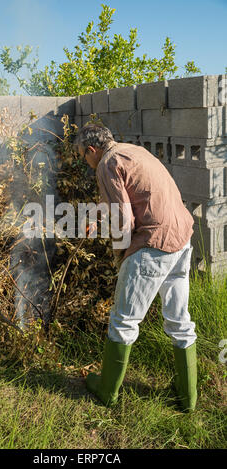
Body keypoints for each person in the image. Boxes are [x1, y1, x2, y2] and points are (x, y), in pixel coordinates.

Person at [74, 123, 197, 412]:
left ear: (92, 150)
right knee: (179, 319)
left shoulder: (106, 163)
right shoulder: (132, 151)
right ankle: (187, 397)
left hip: (153, 243)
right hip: (182, 240)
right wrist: (98, 216)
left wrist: (121, 257)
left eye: (83, 156)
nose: (85, 161)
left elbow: (125, 220)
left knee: (123, 320)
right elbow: (135, 196)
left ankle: (107, 391)